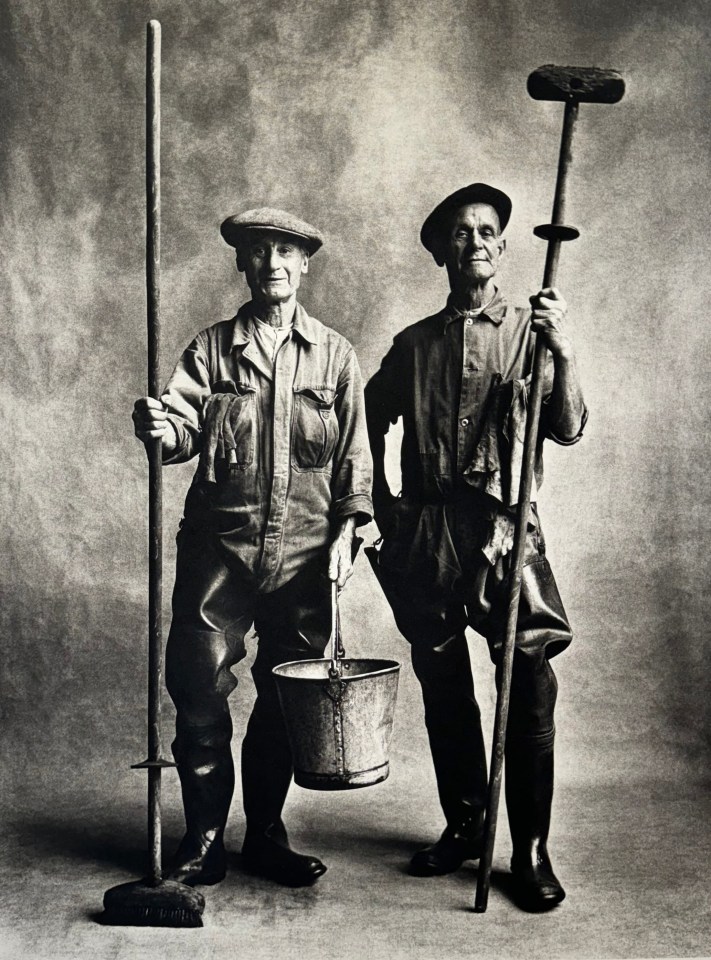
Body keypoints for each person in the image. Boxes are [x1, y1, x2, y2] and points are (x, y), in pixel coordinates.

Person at [133, 207, 372, 888]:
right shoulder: (210, 350)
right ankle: (204, 839)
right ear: (242, 263)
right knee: (197, 691)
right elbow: (180, 431)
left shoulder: (335, 355)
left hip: (306, 556)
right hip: (220, 551)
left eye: (285, 252)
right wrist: (161, 429)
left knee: (285, 700)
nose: (272, 263)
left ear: (305, 265)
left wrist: (347, 532)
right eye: (259, 251)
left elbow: (354, 462)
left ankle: (265, 835)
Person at [364, 183, 587, 911]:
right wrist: (388, 511)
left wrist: (562, 351)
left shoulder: (530, 330)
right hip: (428, 536)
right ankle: (464, 825)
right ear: (442, 252)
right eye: (460, 233)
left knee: (527, 683)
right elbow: (370, 418)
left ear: (503, 245)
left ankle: (529, 849)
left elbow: (567, 426)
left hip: (503, 531)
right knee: (444, 687)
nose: (476, 242)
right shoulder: (413, 344)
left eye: (487, 230)